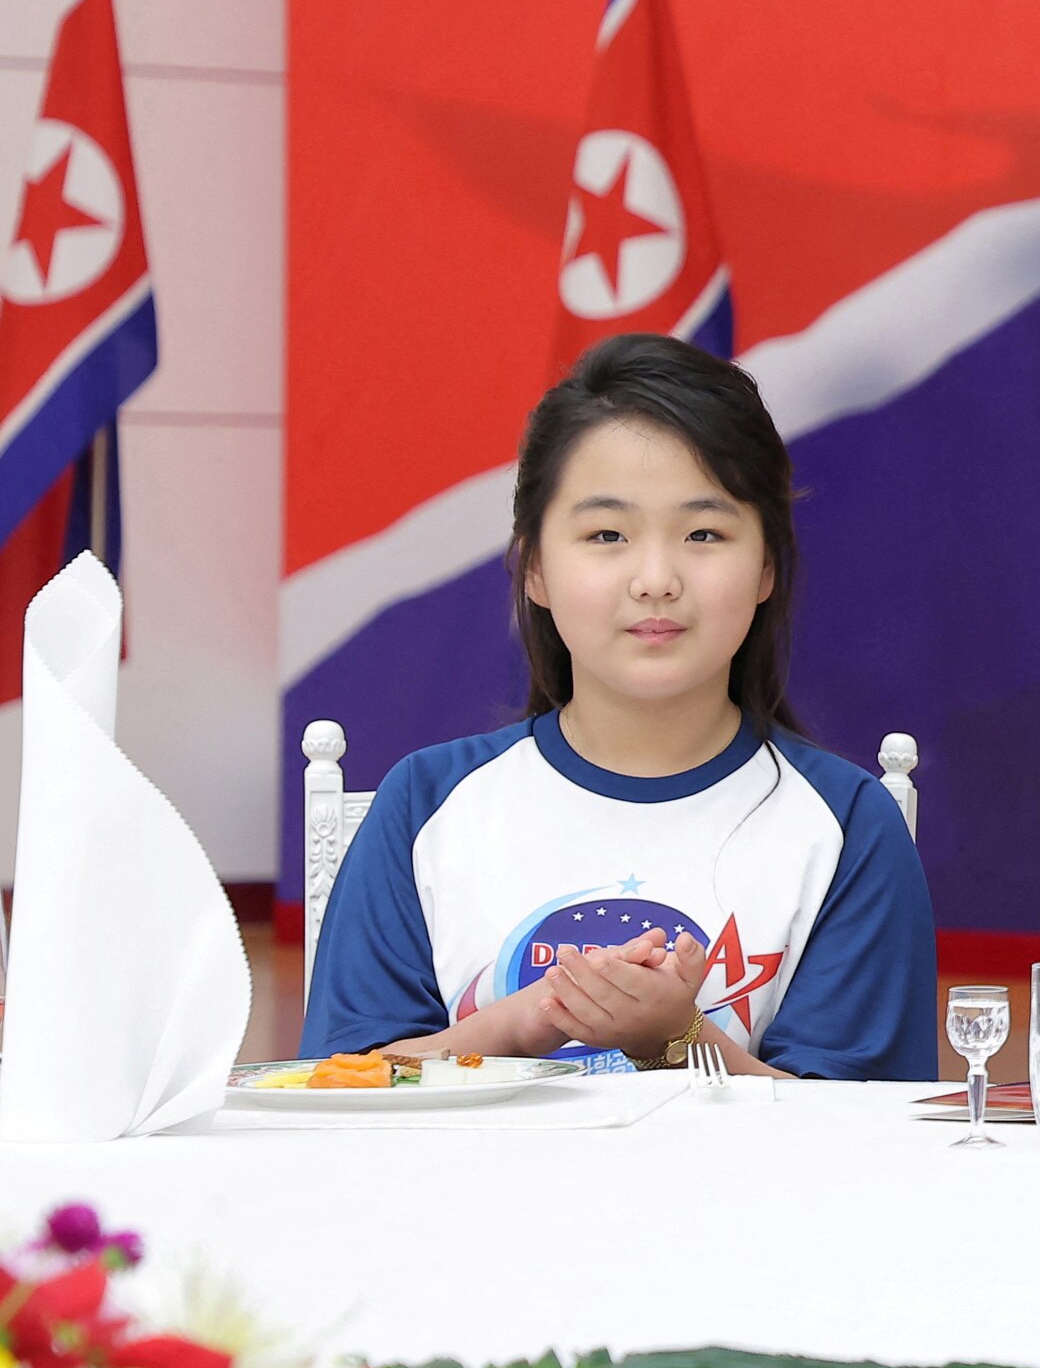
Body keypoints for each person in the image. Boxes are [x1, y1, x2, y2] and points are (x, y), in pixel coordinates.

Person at [301, 334, 936, 1079]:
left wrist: (679, 1041)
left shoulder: (849, 827)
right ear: (534, 565)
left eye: (704, 533)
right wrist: (522, 1020)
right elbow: (335, 1102)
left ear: (767, 565)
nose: (656, 578)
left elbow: (867, 1148)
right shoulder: (424, 804)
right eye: (608, 534)